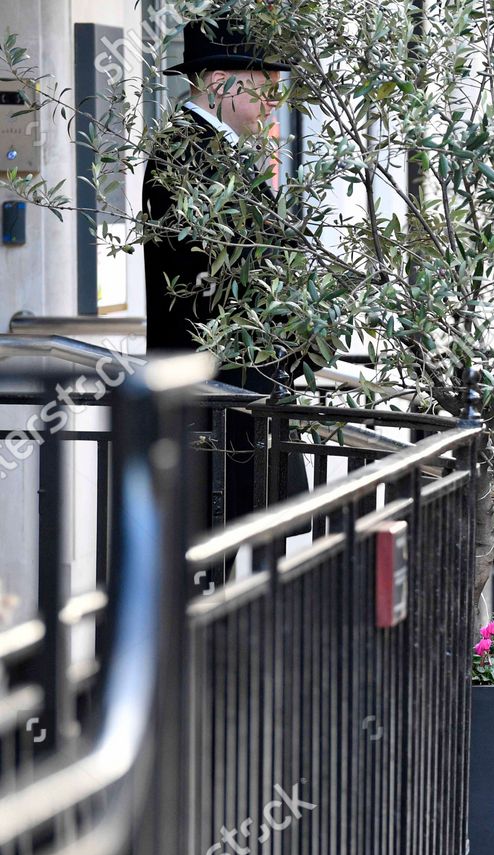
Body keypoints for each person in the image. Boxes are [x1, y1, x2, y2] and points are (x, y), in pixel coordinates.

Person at [144, 17, 308, 527]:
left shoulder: (209, 150)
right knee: (220, 543)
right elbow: (215, 268)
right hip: (219, 388)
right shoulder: (187, 152)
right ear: (219, 83)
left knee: (236, 541)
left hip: (233, 383)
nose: (274, 103)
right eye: (266, 88)